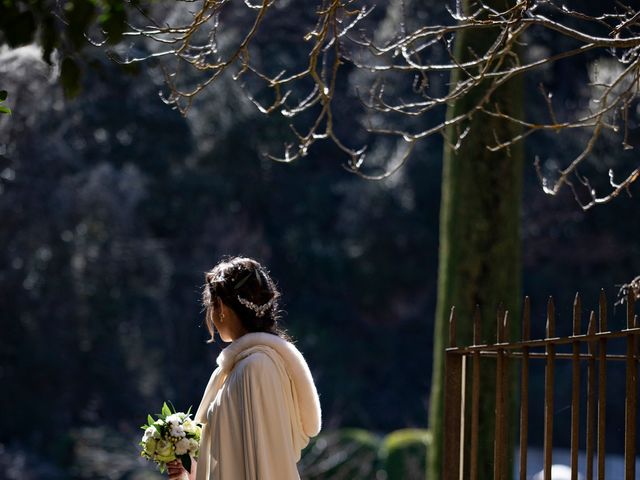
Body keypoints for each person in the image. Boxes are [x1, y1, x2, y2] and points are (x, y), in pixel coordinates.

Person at [167, 256, 322, 480]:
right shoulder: (245, 366)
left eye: (211, 306)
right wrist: (185, 472)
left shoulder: (255, 368)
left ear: (221, 309)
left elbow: (263, 466)